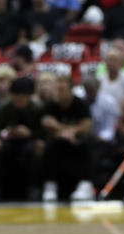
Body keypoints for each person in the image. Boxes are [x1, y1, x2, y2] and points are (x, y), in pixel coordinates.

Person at [40, 74, 94, 203]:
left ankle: (85, 184)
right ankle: (50, 186)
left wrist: (73, 131)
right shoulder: (51, 105)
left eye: (62, 89)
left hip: (77, 139)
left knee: (86, 144)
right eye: (57, 89)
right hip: (58, 138)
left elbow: (87, 125)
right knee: (49, 145)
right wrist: (65, 131)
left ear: (71, 89)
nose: (59, 92)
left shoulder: (80, 103)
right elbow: (47, 122)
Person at [0, 76, 44, 201]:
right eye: (15, 98)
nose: (18, 101)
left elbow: (43, 131)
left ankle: (34, 187)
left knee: (35, 149)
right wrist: (4, 134)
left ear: (29, 96)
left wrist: (29, 133)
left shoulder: (38, 108)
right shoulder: (5, 107)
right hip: (9, 141)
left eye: (22, 98)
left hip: (30, 142)